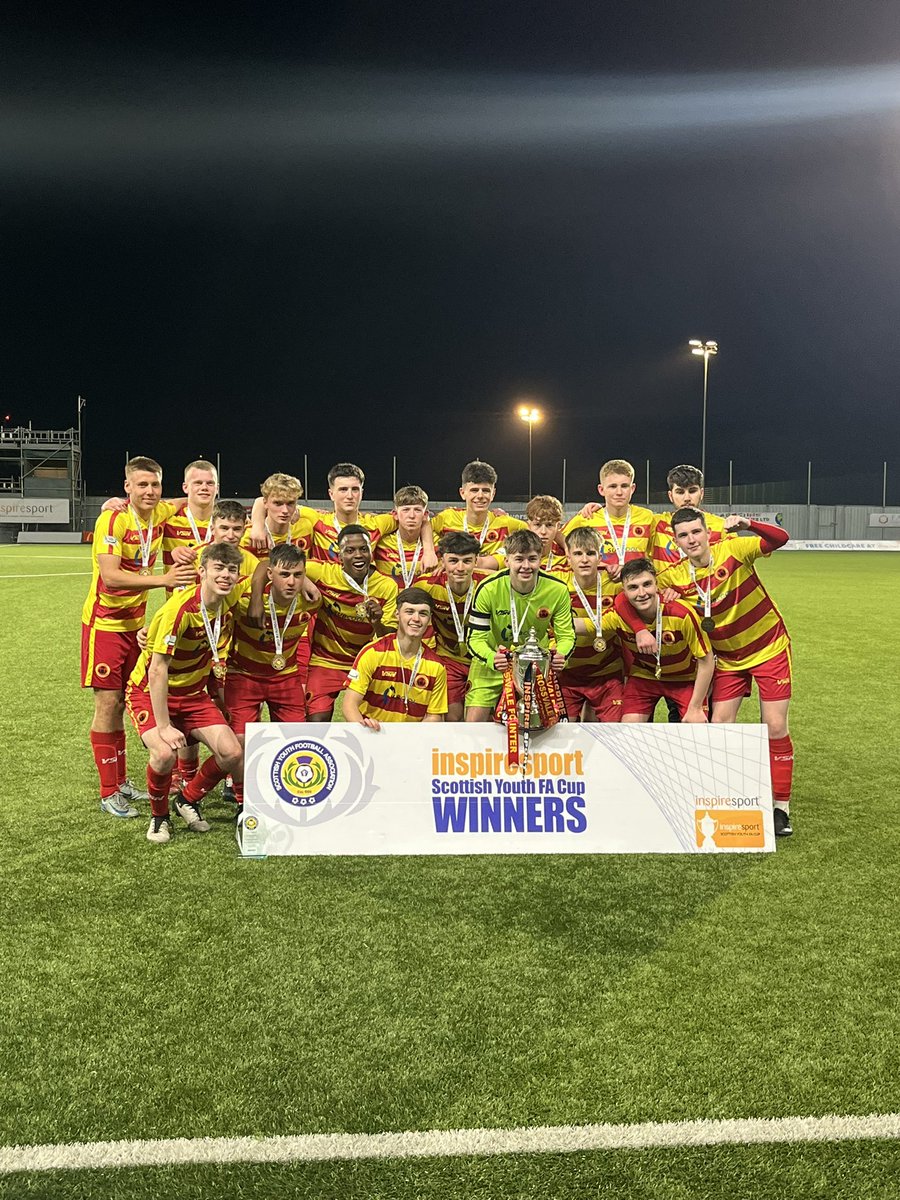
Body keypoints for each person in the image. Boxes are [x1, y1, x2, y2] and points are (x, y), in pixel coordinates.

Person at [657, 507, 795, 836]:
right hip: (727, 660)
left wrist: (748, 524)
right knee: (719, 726)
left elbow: (781, 539)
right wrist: (667, 597)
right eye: (684, 535)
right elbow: (647, 594)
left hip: (768, 647)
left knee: (775, 726)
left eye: (696, 532)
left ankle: (781, 808)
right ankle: (727, 797)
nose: (692, 540)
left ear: (707, 532)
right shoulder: (673, 576)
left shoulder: (733, 549)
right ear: (677, 541)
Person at [82, 456, 196, 818]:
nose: (149, 491)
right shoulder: (112, 518)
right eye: (141, 485)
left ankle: (120, 781)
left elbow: (188, 501)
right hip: (105, 624)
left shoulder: (159, 512)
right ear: (127, 487)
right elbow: (111, 577)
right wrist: (163, 580)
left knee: (123, 703)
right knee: (108, 704)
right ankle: (108, 791)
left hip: (134, 625)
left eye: (155, 485)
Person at [124, 542, 246, 844]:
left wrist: (218, 700)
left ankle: (187, 800)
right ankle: (159, 816)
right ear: (201, 572)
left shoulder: (225, 608)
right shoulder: (178, 611)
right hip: (150, 692)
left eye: (232, 570)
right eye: (218, 568)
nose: (226, 575)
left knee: (232, 753)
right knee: (165, 754)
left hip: (193, 695)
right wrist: (164, 726)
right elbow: (156, 670)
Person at [225, 543, 319, 813]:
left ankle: (288, 794)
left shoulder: (311, 599)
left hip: (285, 677)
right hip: (244, 676)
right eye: (284, 575)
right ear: (270, 575)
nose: (291, 582)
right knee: (240, 743)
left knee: (296, 742)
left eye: (298, 575)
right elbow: (207, 607)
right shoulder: (242, 596)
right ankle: (245, 805)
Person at [465, 529, 575, 721]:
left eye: (532, 559)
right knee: (473, 723)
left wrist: (561, 654)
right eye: (519, 559)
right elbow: (475, 638)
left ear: (540, 559)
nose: (526, 566)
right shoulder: (488, 588)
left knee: (541, 722)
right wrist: (492, 658)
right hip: (492, 661)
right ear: (507, 561)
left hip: (535, 666)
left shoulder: (557, 589)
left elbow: (566, 636)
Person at [249, 463, 436, 567]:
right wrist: (257, 526)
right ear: (331, 494)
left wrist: (428, 551)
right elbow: (264, 500)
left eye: (355, 489)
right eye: (343, 489)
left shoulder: (377, 523)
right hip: (326, 603)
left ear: (362, 492)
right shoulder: (316, 519)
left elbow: (420, 519)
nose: (349, 495)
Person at [303, 525, 399, 720]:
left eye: (364, 549)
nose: (358, 555)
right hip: (326, 660)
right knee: (316, 720)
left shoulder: (386, 586)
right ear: (339, 556)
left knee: (373, 723)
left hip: (367, 662)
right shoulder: (323, 573)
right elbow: (276, 563)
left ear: (371, 553)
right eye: (350, 550)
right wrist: (306, 583)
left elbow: (389, 639)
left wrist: (376, 622)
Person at [601, 557, 713, 724]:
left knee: (696, 726)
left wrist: (696, 706)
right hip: (644, 676)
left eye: (647, 584)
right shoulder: (619, 615)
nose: (641, 593)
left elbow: (707, 659)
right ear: (623, 591)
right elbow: (586, 625)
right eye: (633, 587)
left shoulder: (682, 614)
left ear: (657, 584)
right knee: (629, 729)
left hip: (685, 678)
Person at [344, 587, 448, 727]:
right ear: (397, 615)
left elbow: (434, 717)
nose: (416, 619)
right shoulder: (373, 653)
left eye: (423, 613)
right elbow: (349, 705)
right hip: (372, 735)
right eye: (409, 612)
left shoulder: (436, 666)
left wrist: (408, 739)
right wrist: (363, 728)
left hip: (410, 741)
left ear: (430, 619)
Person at [557, 527, 625, 722]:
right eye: (578, 554)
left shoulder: (616, 584)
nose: (584, 559)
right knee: (560, 734)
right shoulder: (556, 584)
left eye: (590, 553)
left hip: (608, 673)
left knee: (613, 734)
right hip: (567, 674)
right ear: (568, 557)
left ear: (600, 556)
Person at [418, 531, 486, 721]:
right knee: (452, 719)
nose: (460, 568)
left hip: (482, 661)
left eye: (467, 561)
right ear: (442, 561)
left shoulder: (489, 585)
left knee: (483, 721)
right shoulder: (427, 586)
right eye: (453, 560)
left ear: (476, 561)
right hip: (448, 660)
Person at [563, 458, 655, 591]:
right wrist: (601, 563)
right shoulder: (586, 518)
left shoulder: (647, 517)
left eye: (624, 486)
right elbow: (560, 538)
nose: (619, 492)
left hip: (637, 594)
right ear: (601, 490)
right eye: (612, 486)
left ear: (632, 488)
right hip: (600, 593)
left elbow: (657, 555)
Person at [431, 461, 527, 562]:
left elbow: (532, 534)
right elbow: (424, 527)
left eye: (485, 490)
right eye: (474, 490)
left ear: (493, 494)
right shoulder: (446, 518)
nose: (480, 496)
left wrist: (502, 555)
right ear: (462, 493)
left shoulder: (505, 523)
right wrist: (430, 551)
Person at [649, 464, 730, 569]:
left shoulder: (721, 526)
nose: (687, 498)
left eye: (692, 491)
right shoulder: (656, 524)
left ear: (701, 493)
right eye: (680, 492)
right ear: (670, 496)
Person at [159, 459, 220, 592]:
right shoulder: (169, 520)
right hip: (178, 607)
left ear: (217, 488)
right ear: (185, 487)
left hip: (220, 606)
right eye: (198, 483)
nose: (204, 487)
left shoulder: (228, 522)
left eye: (210, 483)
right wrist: (113, 503)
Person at [479, 494, 568, 574]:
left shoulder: (566, 555)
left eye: (549, 525)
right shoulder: (513, 550)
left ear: (558, 526)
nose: (543, 532)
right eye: (537, 525)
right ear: (528, 525)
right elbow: (482, 565)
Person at [241, 472, 314, 562]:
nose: (285, 511)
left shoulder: (306, 527)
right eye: (278, 503)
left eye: (290, 503)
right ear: (265, 503)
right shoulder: (247, 536)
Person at [373, 484, 431, 585]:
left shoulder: (437, 543)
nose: (411, 516)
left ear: (425, 515)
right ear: (395, 514)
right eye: (406, 510)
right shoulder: (381, 543)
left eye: (417, 510)